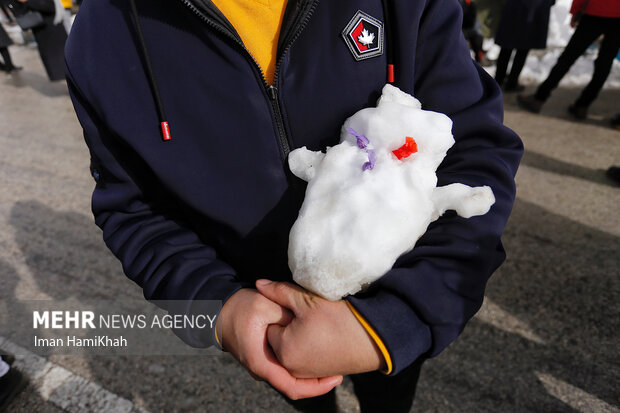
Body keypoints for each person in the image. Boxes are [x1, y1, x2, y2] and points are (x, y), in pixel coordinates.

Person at [65, 0, 523, 410]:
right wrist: (219, 307)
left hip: (393, 297)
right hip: (270, 326)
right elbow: (132, 209)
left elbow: (473, 148)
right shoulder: (101, 36)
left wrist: (399, 321)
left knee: (390, 399)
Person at [517, 0, 620, 119]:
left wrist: (576, 10)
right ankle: (582, 106)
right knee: (604, 65)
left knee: (568, 58)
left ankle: (539, 98)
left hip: (595, 13)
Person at [494, 0, 554, 92]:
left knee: (508, 47)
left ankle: (499, 80)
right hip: (532, 11)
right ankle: (511, 82)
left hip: (517, 9)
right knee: (522, 49)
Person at [4, 0, 66, 81]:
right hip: (40, 31)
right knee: (55, 64)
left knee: (64, 59)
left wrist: (27, 1)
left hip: (54, 27)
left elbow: (50, 7)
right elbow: (19, 14)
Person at [459, 0, 488, 65]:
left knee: (477, 36)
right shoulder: (458, 3)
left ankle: (479, 58)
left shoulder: (471, 5)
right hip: (459, 29)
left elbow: (472, 20)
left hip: (468, 29)